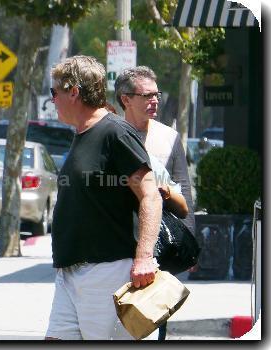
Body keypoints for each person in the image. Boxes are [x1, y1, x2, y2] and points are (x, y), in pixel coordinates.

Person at [45, 55, 163, 340]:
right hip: (70, 273)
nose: (52, 100)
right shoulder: (81, 134)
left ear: (74, 92)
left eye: (54, 92)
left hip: (107, 272)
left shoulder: (115, 132)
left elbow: (151, 195)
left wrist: (145, 257)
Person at [115, 66, 195, 340]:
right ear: (126, 99)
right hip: (115, 243)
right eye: (147, 95)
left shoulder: (168, 137)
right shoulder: (110, 134)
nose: (155, 101)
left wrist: (189, 242)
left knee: (153, 317)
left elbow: (183, 189)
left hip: (156, 246)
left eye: (156, 94)